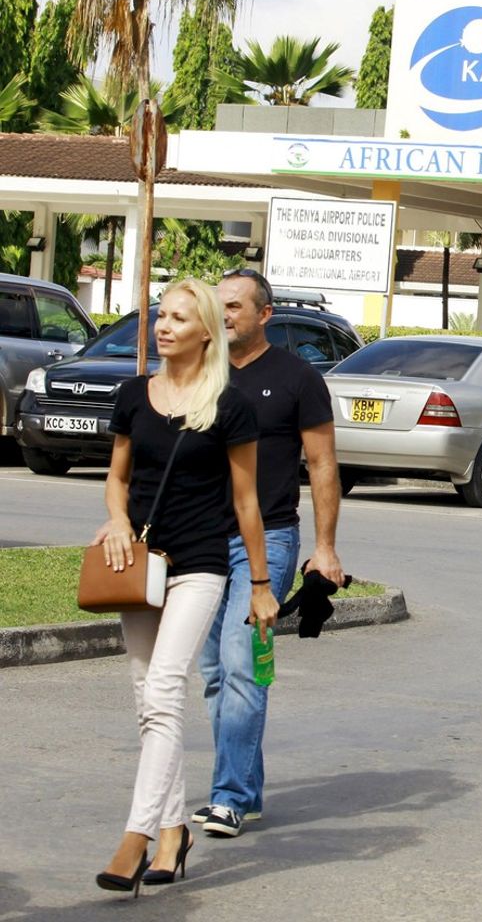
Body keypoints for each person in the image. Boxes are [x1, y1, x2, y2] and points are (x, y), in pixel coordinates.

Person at [91, 279, 271, 896]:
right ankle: (174, 830)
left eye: (178, 319)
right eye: (160, 316)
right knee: (149, 699)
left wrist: (263, 584)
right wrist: (116, 520)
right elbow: (117, 478)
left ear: (205, 334)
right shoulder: (133, 395)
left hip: (199, 563)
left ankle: (135, 836)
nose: (163, 327)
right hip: (139, 564)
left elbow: (246, 503)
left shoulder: (230, 404)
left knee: (166, 686)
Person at [193, 268, 343, 839]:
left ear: (264, 315)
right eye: (218, 305)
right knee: (213, 671)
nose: (224, 314)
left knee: (240, 662)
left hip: (271, 542)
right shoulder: (200, 372)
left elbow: (324, 465)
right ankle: (247, 789)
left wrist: (325, 547)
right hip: (203, 542)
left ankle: (227, 797)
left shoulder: (298, 379)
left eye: (234, 306)